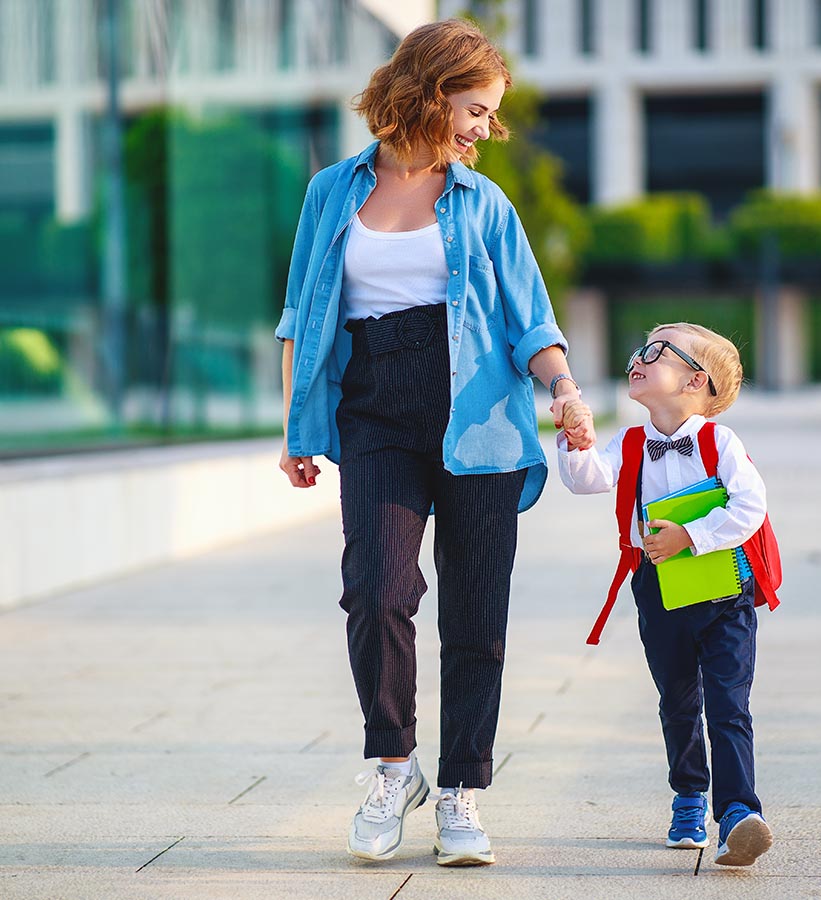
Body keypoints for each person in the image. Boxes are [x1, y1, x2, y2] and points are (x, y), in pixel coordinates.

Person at [274, 18, 595, 867]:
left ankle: (461, 793)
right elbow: (300, 320)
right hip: (375, 410)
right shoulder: (331, 192)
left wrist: (562, 390)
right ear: (431, 89)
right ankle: (393, 766)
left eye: (491, 115)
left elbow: (531, 318)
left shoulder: (484, 203)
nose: (487, 128)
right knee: (376, 590)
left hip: (482, 418)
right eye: (478, 109)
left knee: (476, 617)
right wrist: (295, 430)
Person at [557, 323, 777, 867]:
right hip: (657, 588)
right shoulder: (630, 441)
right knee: (677, 700)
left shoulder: (718, 441)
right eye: (638, 350)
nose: (638, 358)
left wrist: (691, 536)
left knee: (729, 703)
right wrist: (577, 443)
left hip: (723, 585)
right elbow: (588, 480)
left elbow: (751, 507)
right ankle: (688, 796)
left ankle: (737, 814)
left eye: (655, 353)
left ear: (694, 380)